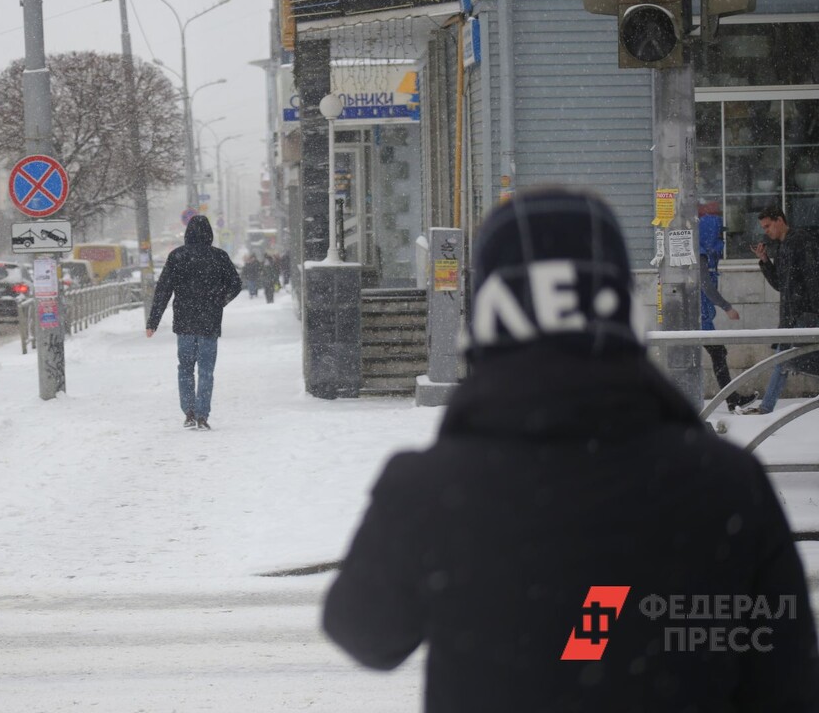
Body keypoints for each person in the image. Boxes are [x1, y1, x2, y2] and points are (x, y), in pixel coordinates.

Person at [322, 188, 819, 712]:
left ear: (490, 319)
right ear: (619, 309)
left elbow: (365, 633)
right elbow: (788, 684)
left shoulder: (433, 489)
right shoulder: (725, 482)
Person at [146, 215, 242, 431]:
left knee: (185, 368)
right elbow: (236, 284)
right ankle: (202, 414)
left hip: (185, 322)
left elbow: (163, 290)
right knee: (206, 370)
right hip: (210, 322)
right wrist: (220, 300)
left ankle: (188, 412)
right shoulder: (219, 257)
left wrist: (153, 321)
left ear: (188, 233)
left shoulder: (177, 256)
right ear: (210, 233)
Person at [744, 205, 819, 414]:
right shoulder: (784, 246)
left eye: (768, 226)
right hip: (793, 314)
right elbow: (780, 283)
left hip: (803, 314)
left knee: (788, 359)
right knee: (784, 360)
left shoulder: (800, 241)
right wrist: (765, 260)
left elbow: (813, 277)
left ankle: (767, 407)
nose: (766, 231)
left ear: (780, 220)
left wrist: (813, 310)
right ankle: (767, 407)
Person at [697, 208, 756, 412]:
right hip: (698, 320)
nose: (721, 237)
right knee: (717, 353)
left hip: (702, 318)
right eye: (718, 233)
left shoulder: (705, 253)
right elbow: (706, 286)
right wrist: (727, 307)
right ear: (709, 232)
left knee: (717, 353)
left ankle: (732, 399)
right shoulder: (701, 255)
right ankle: (732, 399)